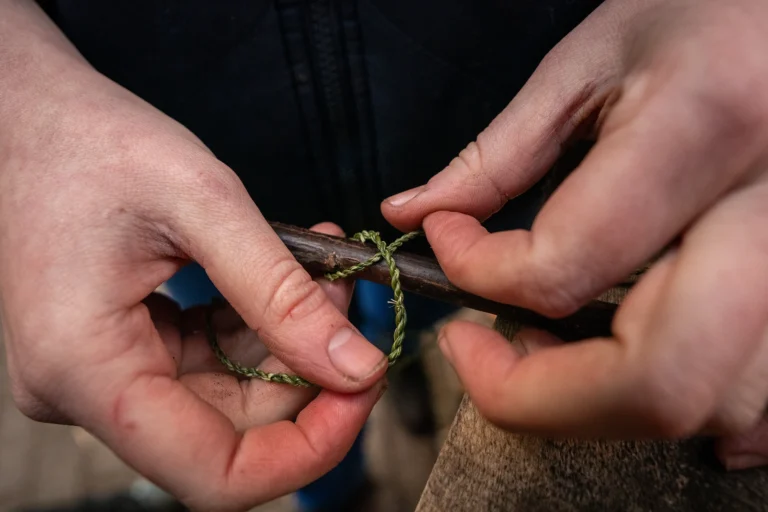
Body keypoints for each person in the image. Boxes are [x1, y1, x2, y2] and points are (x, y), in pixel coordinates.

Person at [2, 0, 767, 511]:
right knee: (293, 371)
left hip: (525, 178)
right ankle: (340, 491)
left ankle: (397, 373)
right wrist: (19, 95)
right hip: (183, 188)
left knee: (424, 319)